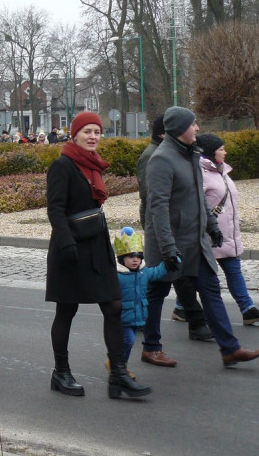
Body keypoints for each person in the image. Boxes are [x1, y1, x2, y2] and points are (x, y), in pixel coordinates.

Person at [142, 106, 259, 368]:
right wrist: (167, 248)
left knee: (211, 291)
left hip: (195, 242)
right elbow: (158, 208)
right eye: (193, 124)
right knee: (157, 293)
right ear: (178, 129)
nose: (197, 128)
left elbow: (199, 198)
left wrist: (212, 226)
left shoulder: (192, 155)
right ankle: (151, 348)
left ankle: (230, 349)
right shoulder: (161, 160)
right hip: (170, 243)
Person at [46, 111, 151, 399]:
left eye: (97, 131)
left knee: (114, 306)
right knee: (66, 310)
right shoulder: (63, 165)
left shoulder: (93, 166)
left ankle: (118, 375)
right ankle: (61, 372)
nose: (93, 136)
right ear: (75, 134)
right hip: (70, 248)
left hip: (96, 246)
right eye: (87, 131)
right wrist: (66, 244)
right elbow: (55, 208)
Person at [136, 114, 210, 341]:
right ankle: (148, 331)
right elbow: (152, 199)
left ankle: (191, 318)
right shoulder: (154, 157)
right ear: (164, 133)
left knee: (177, 278)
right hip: (162, 227)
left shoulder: (182, 154)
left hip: (176, 227)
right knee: (162, 283)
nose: (197, 128)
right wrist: (163, 233)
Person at [196, 133, 259, 325]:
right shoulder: (200, 174)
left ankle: (248, 309)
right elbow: (195, 206)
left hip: (228, 234)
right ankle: (182, 307)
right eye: (221, 149)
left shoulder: (222, 172)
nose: (225, 152)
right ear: (210, 152)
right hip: (210, 236)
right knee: (203, 276)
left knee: (233, 270)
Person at [112, 227, 168, 373]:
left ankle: (120, 365)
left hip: (137, 316)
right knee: (128, 340)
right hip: (121, 317)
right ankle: (119, 367)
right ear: (121, 259)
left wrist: (170, 262)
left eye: (138, 256)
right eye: (130, 256)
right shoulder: (117, 276)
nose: (135, 259)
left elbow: (157, 272)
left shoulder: (144, 272)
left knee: (128, 343)